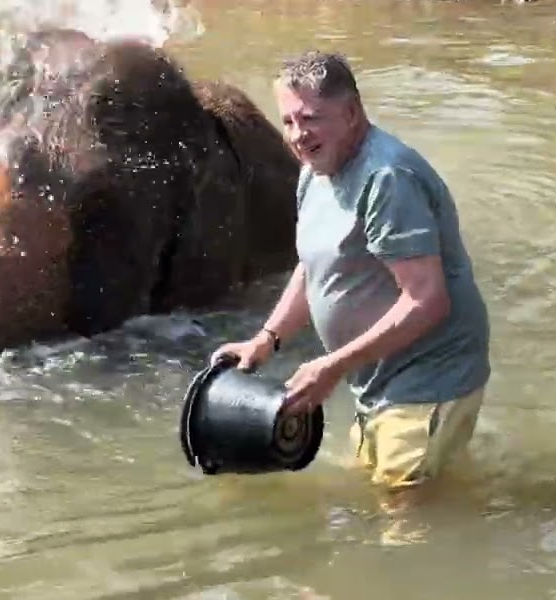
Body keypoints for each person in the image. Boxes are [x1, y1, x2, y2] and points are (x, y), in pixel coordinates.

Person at [210, 51, 491, 512]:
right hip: (377, 379)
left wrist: (333, 365)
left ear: (352, 113)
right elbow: (314, 266)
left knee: (406, 523)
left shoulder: (387, 179)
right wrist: (267, 339)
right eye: (289, 120)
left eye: (311, 119)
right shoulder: (315, 173)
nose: (299, 135)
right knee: (382, 498)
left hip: (428, 378)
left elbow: (428, 299)